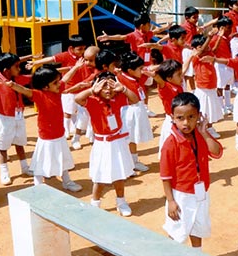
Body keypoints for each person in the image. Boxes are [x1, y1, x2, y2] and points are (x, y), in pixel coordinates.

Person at [160, 92, 223, 248]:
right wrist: (171, 201)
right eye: (180, 118)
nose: (186, 123)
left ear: (199, 116)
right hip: (182, 195)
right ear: (172, 118)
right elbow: (165, 176)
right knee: (178, 231)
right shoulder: (170, 143)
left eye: (191, 117)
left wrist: (204, 133)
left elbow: (216, 152)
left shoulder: (200, 135)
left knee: (198, 226)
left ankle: (197, 255)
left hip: (201, 192)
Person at [8, 65, 84, 191]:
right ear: (45, 87)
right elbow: (25, 90)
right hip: (46, 137)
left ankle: (67, 181)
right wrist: (13, 85)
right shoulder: (39, 95)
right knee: (41, 161)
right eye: (55, 82)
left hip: (59, 134)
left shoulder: (57, 90)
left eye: (58, 81)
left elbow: (66, 78)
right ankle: (38, 184)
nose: (59, 84)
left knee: (62, 158)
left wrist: (75, 67)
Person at [76, 72, 138, 216]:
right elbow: (77, 98)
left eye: (111, 85)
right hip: (102, 144)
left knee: (119, 174)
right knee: (100, 177)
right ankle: (95, 202)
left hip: (117, 143)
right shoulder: (92, 101)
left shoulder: (119, 98)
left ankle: (121, 202)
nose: (108, 89)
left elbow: (135, 99)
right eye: (104, 86)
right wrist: (91, 90)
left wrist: (123, 89)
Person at [0, 53, 32, 185]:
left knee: (20, 142)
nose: (19, 69)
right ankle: (4, 171)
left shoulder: (18, 79)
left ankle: (25, 167)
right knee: (2, 146)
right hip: (5, 119)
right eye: (16, 66)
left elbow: (33, 77)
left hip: (19, 117)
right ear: (6, 70)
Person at [117, 52, 153, 172]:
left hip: (138, 109)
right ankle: (129, 163)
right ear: (130, 70)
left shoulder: (137, 77)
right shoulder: (120, 78)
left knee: (132, 138)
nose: (142, 70)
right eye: (140, 68)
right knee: (128, 138)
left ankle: (133, 161)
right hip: (128, 112)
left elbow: (151, 74)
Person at [183, 34, 223, 139]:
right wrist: (209, 37)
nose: (206, 47)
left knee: (211, 109)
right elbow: (200, 51)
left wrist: (219, 37)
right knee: (204, 110)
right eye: (201, 46)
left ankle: (209, 127)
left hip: (211, 88)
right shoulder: (196, 57)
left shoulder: (209, 54)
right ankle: (203, 129)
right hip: (203, 89)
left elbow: (214, 49)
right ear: (195, 48)